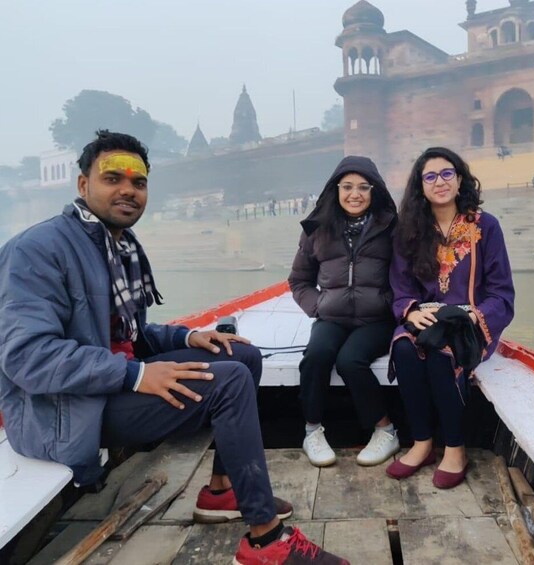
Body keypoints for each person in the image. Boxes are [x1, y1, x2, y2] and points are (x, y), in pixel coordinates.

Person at [0, 131, 348, 565]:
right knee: (229, 381)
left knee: (240, 353)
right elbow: (27, 358)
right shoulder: (38, 249)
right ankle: (265, 541)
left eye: (138, 182)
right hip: (62, 413)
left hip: (106, 388)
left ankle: (220, 492)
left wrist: (188, 337)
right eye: (113, 178)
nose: (128, 189)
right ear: (83, 185)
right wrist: (138, 374)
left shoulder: (116, 245)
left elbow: (129, 334)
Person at [387, 147, 515, 489]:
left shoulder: (486, 227)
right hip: (427, 319)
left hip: (471, 323)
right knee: (404, 349)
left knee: (443, 354)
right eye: (430, 176)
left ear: (460, 180)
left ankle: (455, 449)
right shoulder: (410, 231)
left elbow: (502, 294)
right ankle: (422, 443)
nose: (439, 182)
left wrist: (475, 315)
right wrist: (412, 311)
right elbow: (400, 289)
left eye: (447, 174)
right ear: (420, 186)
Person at [289, 156, 399, 468]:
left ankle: (386, 430)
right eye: (347, 186)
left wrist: (389, 304)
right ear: (335, 189)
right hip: (332, 317)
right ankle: (312, 430)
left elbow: (407, 276)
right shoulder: (316, 229)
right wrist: (318, 306)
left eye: (363, 187)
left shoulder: (392, 227)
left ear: (374, 190)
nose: (355, 194)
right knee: (317, 355)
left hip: (376, 319)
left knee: (350, 360)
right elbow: (299, 280)